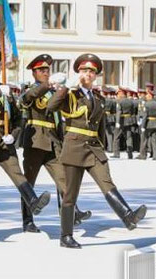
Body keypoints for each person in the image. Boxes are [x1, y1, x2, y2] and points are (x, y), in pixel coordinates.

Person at [48, 54, 147, 249]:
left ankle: (128, 217)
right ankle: (66, 236)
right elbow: (51, 107)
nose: (88, 74)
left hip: (93, 148)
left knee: (107, 183)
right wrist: (66, 86)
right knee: (70, 194)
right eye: (84, 70)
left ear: (96, 76)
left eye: (92, 71)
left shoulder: (99, 98)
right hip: (74, 147)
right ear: (78, 73)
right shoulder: (70, 95)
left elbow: (100, 127)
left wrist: (103, 146)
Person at [0, 50, 51, 236]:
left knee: (18, 174)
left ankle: (33, 202)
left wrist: (14, 135)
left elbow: (16, 117)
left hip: (5, 140)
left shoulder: (5, 89)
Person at [19, 54, 90, 231]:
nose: (45, 72)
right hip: (35, 141)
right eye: (41, 70)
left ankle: (72, 211)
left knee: (64, 180)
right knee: (28, 183)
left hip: (54, 142)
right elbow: (28, 98)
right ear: (34, 73)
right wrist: (48, 84)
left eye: (47, 70)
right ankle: (28, 221)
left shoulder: (54, 92)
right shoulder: (31, 90)